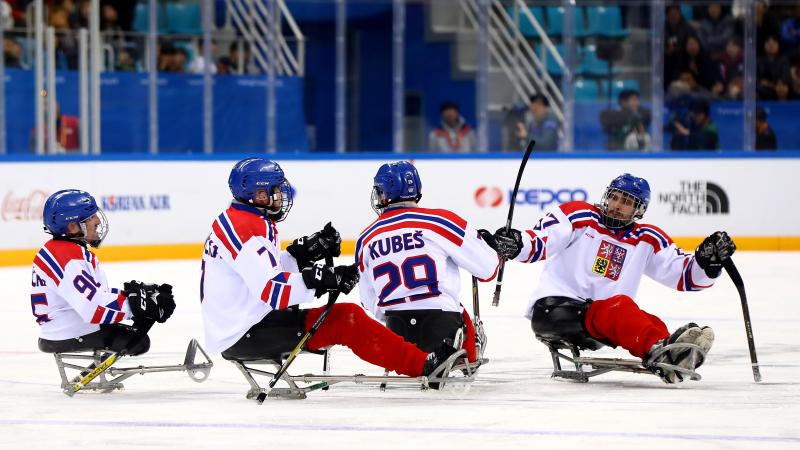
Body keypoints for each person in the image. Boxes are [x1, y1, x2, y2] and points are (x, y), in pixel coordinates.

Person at [200, 158, 457, 382]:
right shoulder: (246, 228)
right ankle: (424, 366)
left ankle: (419, 361)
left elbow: (259, 271)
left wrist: (302, 254)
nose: (279, 195)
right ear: (257, 195)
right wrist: (322, 279)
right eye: (273, 190)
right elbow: (273, 291)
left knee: (343, 317)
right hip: (246, 332)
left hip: (243, 324)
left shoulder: (239, 219)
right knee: (347, 319)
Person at [490, 174, 737, 383]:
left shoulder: (647, 237)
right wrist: (518, 243)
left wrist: (707, 261)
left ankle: (669, 348)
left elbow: (685, 276)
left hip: (602, 322)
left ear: (640, 209)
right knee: (621, 308)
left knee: (644, 319)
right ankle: (662, 354)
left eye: (626, 201)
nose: (616, 204)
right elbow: (542, 240)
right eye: (614, 196)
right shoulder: (581, 216)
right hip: (555, 310)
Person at [356, 161, 501, 362]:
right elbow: (488, 270)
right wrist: (492, 249)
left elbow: (367, 299)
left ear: (385, 193)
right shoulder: (440, 221)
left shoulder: (366, 238)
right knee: (455, 305)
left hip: (396, 333)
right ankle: (469, 355)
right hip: (444, 329)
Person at [32, 190, 175, 356]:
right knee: (139, 341)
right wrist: (137, 305)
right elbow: (93, 309)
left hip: (64, 327)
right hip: (71, 332)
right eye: (91, 218)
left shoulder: (60, 250)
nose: (98, 221)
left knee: (136, 335)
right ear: (72, 227)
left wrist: (128, 296)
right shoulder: (69, 259)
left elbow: (93, 295)